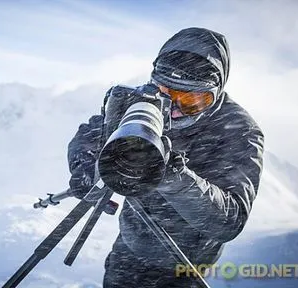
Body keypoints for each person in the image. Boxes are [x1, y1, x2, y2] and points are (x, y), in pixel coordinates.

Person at [67, 27, 264, 288]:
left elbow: (229, 221)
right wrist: (86, 168)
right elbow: (88, 136)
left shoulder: (239, 131)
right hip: (128, 252)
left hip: (184, 268)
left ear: (215, 93)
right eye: (167, 94)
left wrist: (174, 177)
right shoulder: (144, 99)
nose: (175, 111)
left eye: (192, 101)